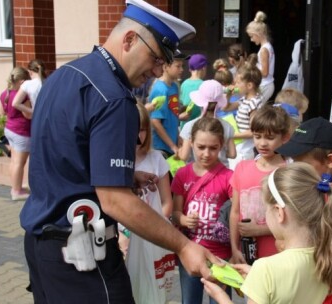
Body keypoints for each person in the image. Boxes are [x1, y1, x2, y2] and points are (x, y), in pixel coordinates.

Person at [19, 1, 221, 303]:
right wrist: (183, 246)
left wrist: (121, 176)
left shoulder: (65, 74)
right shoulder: (115, 98)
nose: (155, 71)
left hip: (41, 249)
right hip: (82, 258)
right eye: (155, 58)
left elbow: (62, 157)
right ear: (129, 40)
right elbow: (115, 201)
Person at [202, 162, 332, 304]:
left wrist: (221, 298)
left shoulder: (265, 269)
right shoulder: (326, 258)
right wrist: (257, 277)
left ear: (279, 212)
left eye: (266, 209)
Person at [275, 117, 332, 304]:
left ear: (330, 161)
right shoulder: (323, 191)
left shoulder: (330, 199)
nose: (293, 167)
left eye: (301, 162)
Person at [171, 117, 234, 304]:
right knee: (190, 301)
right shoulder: (183, 174)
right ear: (191, 143)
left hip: (219, 257)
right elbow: (175, 213)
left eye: (213, 148)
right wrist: (183, 220)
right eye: (201, 147)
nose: (206, 153)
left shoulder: (229, 177)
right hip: (190, 252)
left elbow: (236, 213)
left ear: (221, 145)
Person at [121, 102, 176, 303]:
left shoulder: (157, 159)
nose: (138, 135)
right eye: (132, 129)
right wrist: (123, 233)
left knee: (153, 291)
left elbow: (166, 202)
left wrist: (152, 228)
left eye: (142, 129)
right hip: (123, 238)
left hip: (152, 234)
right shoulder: (116, 160)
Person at [229, 106, 291, 264]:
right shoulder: (242, 168)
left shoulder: (290, 172)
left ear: (284, 137)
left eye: (270, 138)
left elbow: (297, 220)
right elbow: (235, 212)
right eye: (257, 136)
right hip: (246, 254)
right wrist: (234, 248)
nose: (262, 143)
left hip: (279, 256)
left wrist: (261, 230)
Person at [178, 80, 236, 168]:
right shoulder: (227, 126)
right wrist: (222, 153)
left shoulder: (189, 126)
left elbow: (184, 156)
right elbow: (232, 154)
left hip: (197, 174)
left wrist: (178, 151)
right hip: (221, 173)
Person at [0, 67, 31, 201]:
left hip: (10, 129)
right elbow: (28, 115)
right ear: (22, 81)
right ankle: (17, 191)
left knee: (14, 161)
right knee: (19, 162)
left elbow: (2, 112)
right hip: (21, 132)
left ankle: (15, 187)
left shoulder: (4, 93)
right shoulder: (22, 96)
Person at [149, 53, 186, 158]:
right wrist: (172, 146)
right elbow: (155, 122)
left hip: (170, 146)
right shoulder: (161, 89)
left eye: (182, 66)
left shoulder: (174, 86)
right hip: (161, 148)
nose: (182, 69)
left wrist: (177, 137)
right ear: (165, 67)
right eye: (178, 66)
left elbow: (172, 116)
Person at [231, 63, 263, 165]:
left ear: (249, 85)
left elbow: (253, 131)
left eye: (238, 83)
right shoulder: (244, 99)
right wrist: (227, 94)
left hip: (246, 149)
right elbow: (225, 107)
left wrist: (232, 135)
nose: (235, 86)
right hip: (240, 145)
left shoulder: (253, 103)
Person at [246, 11, 275, 106]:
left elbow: (265, 73)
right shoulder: (268, 46)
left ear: (258, 34)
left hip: (265, 85)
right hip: (266, 84)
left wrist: (251, 68)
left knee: (254, 108)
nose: (251, 39)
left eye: (252, 36)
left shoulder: (263, 50)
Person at [180, 54, 207, 126]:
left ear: (190, 69)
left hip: (184, 125)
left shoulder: (184, 84)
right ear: (203, 68)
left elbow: (180, 104)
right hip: (198, 126)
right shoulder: (204, 85)